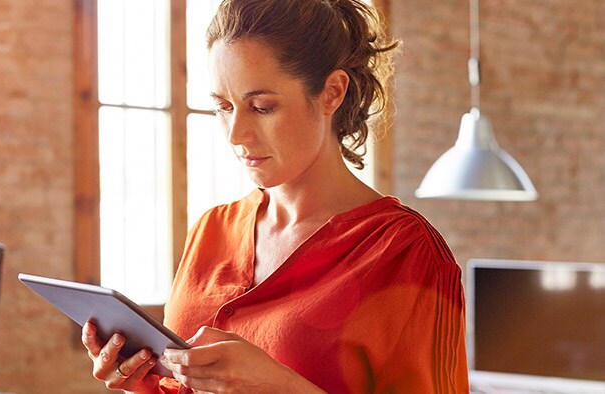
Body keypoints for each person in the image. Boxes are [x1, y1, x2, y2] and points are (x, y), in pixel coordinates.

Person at [82, 0, 470, 392]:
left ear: (332, 93)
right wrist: (142, 381)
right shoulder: (211, 229)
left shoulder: (405, 253)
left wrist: (279, 387)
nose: (236, 134)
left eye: (262, 107)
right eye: (223, 107)